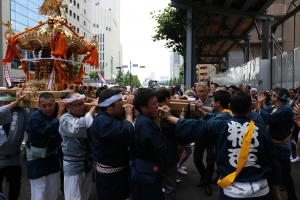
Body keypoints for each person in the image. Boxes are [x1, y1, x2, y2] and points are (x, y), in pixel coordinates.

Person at [160, 91, 282, 200]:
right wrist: (276, 192)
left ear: (229, 106)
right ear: (250, 109)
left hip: (232, 191)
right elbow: (273, 161)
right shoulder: (261, 130)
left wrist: (170, 117)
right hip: (261, 191)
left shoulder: (220, 126)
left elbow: (194, 126)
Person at [253, 88, 297, 200]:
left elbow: (270, 119)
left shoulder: (286, 109)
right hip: (273, 144)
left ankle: (292, 196)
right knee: (272, 169)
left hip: (282, 145)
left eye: (272, 95)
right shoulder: (273, 107)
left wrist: (259, 108)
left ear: (276, 97)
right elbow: (263, 114)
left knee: (285, 172)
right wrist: (260, 104)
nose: (270, 97)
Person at [92, 89, 134, 200]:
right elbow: (128, 132)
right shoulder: (102, 121)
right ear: (109, 107)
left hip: (120, 171)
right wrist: (129, 115)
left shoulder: (112, 116)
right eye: (120, 103)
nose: (123, 105)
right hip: (110, 176)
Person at [26, 92, 66, 200]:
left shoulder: (56, 113)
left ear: (55, 104)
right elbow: (52, 128)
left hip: (52, 155)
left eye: (50, 105)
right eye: (44, 106)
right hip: (36, 158)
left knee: (52, 191)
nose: (48, 108)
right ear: (39, 106)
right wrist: (61, 110)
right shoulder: (34, 117)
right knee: (39, 193)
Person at [130, 88, 168, 200]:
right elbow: (163, 148)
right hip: (147, 172)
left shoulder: (141, 119)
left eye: (157, 102)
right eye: (154, 103)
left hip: (141, 169)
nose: (157, 106)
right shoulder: (146, 124)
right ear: (143, 108)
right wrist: (158, 126)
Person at [59, 92, 98, 200]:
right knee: (73, 197)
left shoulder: (86, 116)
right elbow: (80, 126)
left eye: (82, 103)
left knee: (85, 195)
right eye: (78, 105)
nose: (82, 107)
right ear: (68, 106)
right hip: (73, 165)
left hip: (87, 162)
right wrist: (94, 107)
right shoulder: (65, 118)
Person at [154, 87, 184, 200]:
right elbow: (181, 132)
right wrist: (181, 117)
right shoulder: (169, 115)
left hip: (155, 155)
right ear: (167, 99)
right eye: (171, 97)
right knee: (170, 187)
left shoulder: (151, 111)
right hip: (169, 154)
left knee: (156, 184)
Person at [0, 90, 27, 200]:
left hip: (13, 158)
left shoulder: (21, 112)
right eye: (0, 103)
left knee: (15, 186)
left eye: (6, 103)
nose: (3, 106)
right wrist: (15, 102)